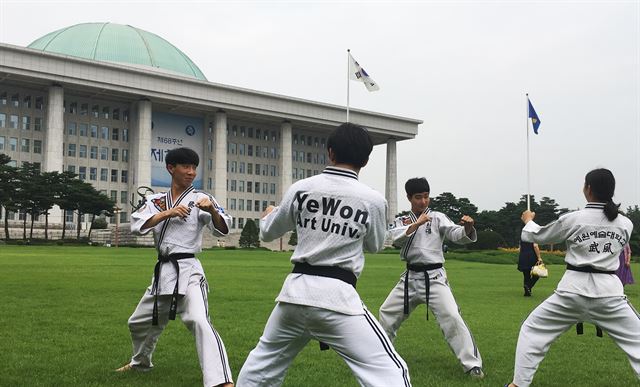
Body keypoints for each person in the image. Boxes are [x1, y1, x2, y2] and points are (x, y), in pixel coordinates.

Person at [236, 123, 411, 387]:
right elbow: (375, 245)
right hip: (337, 298)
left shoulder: (302, 188)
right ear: (365, 159)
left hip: (294, 295)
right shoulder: (372, 199)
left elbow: (269, 233)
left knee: (262, 366)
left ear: (330, 152)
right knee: (390, 373)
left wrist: (268, 215)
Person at [506, 168, 639, 387]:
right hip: (609, 294)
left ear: (587, 189)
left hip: (571, 292)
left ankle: (518, 384)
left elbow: (538, 234)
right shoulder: (626, 224)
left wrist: (528, 220)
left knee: (532, 330)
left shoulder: (574, 219)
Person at [116, 147, 234, 387]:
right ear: (171, 168)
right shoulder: (155, 201)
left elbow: (223, 228)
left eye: (194, 168)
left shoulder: (202, 198)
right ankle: (141, 362)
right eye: (186, 167)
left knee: (198, 320)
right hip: (164, 272)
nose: (191, 172)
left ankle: (221, 380)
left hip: (189, 270)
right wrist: (167, 213)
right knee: (138, 322)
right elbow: (136, 226)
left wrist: (211, 210)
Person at [378, 178, 484, 379]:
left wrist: (468, 228)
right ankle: (380, 359)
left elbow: (455, 234)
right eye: (418, 197)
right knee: (386, 314)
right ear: (409, 198)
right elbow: (392, 239)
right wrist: (416, 224)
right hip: (410, 278)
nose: (423, 201)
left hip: (434, 277)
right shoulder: (403, 221)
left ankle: (472, 365)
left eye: (426, 197)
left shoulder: (437, 217)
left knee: (452, 316)